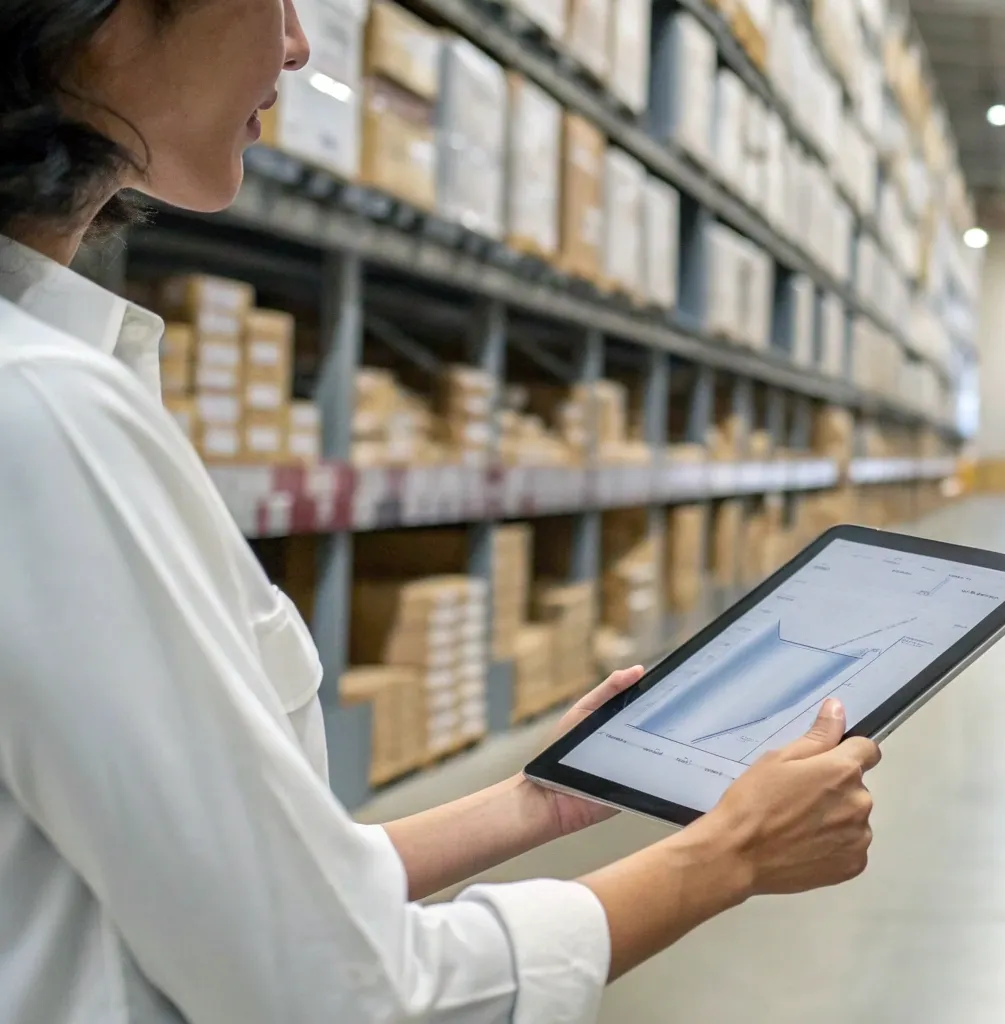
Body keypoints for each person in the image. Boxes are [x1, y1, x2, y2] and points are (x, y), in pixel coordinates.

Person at [0, 0, 883, 1020]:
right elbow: (340, 991)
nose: (299, 43)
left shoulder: (55, 385)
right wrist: (728, 854)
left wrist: (538, 800)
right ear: (101, 17)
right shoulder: (43, 408)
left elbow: (249, 888)